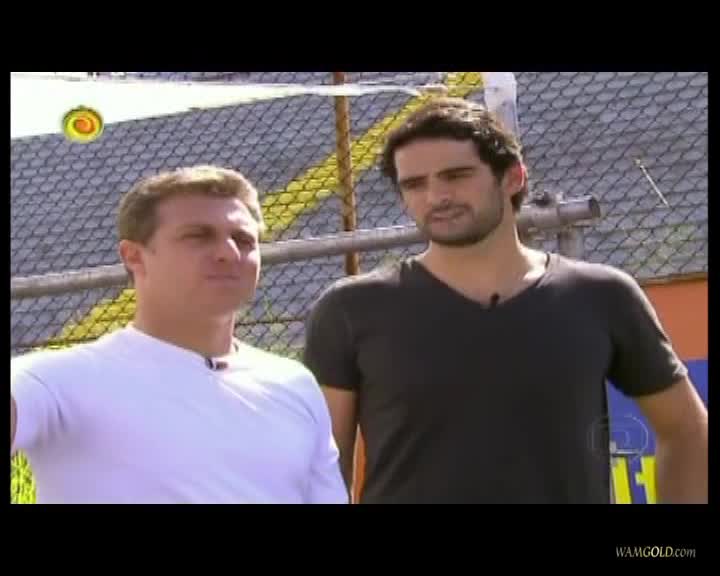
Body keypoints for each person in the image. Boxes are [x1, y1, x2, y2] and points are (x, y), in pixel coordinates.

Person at [303, 97, 708, 504]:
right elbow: (323, 469)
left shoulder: (601, 296)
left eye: (456, 176)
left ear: (513, 177)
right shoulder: (351, 310)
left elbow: (687, 430)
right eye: (414, 184)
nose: (436, 196)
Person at [11, 165, 347, 504]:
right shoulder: (55, 380)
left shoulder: (295, 385)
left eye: (244, 240)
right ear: (134, 256)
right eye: (198, 236)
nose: (228, 252)